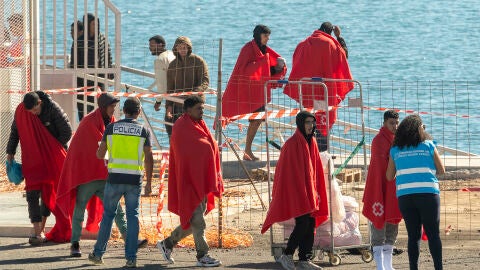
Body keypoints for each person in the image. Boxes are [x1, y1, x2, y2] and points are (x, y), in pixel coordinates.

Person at [50, 93, 147, 256]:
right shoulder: (88, 122)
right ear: (103, 107)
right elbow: (79, 149)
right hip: (86, 177)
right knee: (79, 210)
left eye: (116, 107)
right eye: (111, 107)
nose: (114, 110)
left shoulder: (113, 123)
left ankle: (130, 240)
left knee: (117, 210)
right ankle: (75, 243)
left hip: (105, 177)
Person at [157, 95, 223, 267]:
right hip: (188, 182)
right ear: (188, 110)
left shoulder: (199, 124)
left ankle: (167, 244)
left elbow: (207, 145)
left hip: (199, 181)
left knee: (193, 221)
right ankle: (203, 256)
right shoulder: (181, 127)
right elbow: (188, 154)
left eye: (202, 108)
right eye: (199, 108)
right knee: (198, 222)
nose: (202, 111)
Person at [88, 97, 153, 268]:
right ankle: (131, 258)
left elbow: (100, 154)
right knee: (133, 217)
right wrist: (148, 183)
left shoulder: (111, 128)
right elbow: (149, 158)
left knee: (108, 216)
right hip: (134, 180)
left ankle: (98, 254)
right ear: (138, 111)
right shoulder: (143, 130)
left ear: (123, 111)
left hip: (114, 179)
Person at [261, 111, 328, 270]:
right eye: (307, 122)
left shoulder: (312, 142)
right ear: (300, 124)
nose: (311, 126)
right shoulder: (291, 144)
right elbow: (285, 172)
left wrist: (316, 190)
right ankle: (287, 255)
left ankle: (304, 259)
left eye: (312, 122)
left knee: (311, 223)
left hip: (310, 191)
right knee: (302, 223)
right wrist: (297, 191)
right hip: (296, 191)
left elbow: (315, 170)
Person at [6, 91, 72, 245]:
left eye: (35, 111)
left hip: (52, 159)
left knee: (49, 193)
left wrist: (49, 148)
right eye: (30, 112)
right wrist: (10, 152)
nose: (33, 114)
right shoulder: (22, 111)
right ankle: (38, 232)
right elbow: (15, 132)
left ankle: (42, 228)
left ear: (40, 103)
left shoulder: (53, 108)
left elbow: (67, 132)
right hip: (32, 159)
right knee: (32, 194)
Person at [386, 115, 445, 270]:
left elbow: (389, 176)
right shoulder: (428, 145)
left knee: (413, 236)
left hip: (405, 197)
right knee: (433, 235)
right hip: (428, 194)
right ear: (419, 129)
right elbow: (441, 170)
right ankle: (438, 267)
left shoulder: (395, 150)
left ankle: (414, 268)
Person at [284, 22, 353, 152]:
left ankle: (308, 151)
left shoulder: (304, 44)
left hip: (306, 93)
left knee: (308, 123)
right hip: (324, 93)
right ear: (331, 32)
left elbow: (296, 64)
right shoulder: (331, 43)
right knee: (322, 123)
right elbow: (344, 56)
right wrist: (339, 37)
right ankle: (320, 154)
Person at [221, 24, 287, 160]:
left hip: (258, 93)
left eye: (268, 36)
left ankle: (247, 150)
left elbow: (264, 69)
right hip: (247, 92)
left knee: (257, 121)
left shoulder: (263, 49)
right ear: (258, 36)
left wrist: (276, 67)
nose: (267, 39)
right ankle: (247, 151)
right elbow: (244, 71)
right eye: (265, 36)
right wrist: (266, 64)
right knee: (255, 120)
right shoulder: (247, 49)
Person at [362, 110, 402, 270]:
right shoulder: (378, 140)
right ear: (384, 122)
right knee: (379, 224)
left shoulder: (398, 140)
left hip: (394, 186)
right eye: (392, 123)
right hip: (380, 186)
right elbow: (379, 169)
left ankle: (388, 264)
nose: (395, 126)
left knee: (392, 221)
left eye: (397, 123)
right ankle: (380, 265)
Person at [70, 13, 114, 121]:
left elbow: (108, 56)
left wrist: (110, 73)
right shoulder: (79, 41)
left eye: (97, 24)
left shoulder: (103, 39)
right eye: (93, 24)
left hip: (100, 81)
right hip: (83, 82)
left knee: (101, 111)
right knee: (84, 113)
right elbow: (74, 63)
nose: (96, 26)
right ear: (87, 25)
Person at [164, 36, 209, 138]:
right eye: (180, 47)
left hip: (194, 105)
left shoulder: (199, 62)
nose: (182, 49)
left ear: (189, 48)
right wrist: (169, 106)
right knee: (173, 131)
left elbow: (205, 81)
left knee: (194, 133)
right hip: (177, 104)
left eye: (185, 47)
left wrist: (193, 95)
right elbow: (170, 88)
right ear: (175, 49)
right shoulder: (172, 65)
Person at [149, 35, 175, 111]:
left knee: (170, 121)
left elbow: (161, 84)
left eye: (152, 45)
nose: (150, 48)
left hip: (171, 97)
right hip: (180, 92)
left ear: (160, 45)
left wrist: (158, 101)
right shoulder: (172, 54)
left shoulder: (160, 60)